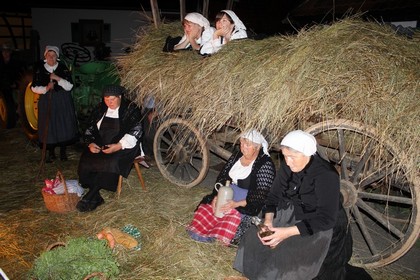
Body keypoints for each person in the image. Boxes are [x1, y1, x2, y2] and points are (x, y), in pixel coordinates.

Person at [232, 130, 350, 279]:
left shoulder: (326, 175)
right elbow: (273, 196)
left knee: (287, 254)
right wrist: (268, 221)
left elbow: (326, 219)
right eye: (285, 156)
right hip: (291, 212)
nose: (287, 162)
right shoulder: (288, 165)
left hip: (316, 223)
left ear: (307, 154)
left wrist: (285, 233)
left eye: (292, 157)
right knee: (253, 238)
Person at [186, 129, 276, 246]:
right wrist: (217, 196)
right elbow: (223, 177)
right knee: (206, 210)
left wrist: (236, 204)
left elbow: (262, 195)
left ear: (257, 147)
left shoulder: (265, 164)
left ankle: (217, 235)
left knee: (231, 218)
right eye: (241, 143)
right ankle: (206, 232)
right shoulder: (237, 156)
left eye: (247, 145)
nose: (243, 147)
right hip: (227, 194)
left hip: (246, 202)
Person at [76, 84, 143, 212]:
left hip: (125, 145)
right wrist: (91, 143)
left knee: (111, 161)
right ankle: (96, 197)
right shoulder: (100, 108)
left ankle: (91, 194)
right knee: (86, 158)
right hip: (103, 143)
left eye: (112, 99)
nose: (109, 102)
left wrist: (118, 146)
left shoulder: (130, 109)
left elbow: (136, 131)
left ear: (120, 97)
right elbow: (90, 127)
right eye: (106, 99)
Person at [31, 45, 79, 162]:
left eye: (53, 56)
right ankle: (51, 152)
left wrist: (57, 78)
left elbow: (70, 86)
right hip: (47, 100)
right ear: (45, 56)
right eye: (49, 55)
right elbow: (33, 87)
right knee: (49, 125)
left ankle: (63, 151)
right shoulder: (39, 69)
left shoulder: (62, 68)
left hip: (62, 100)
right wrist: (46, 88)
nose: (51, 58)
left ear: (57, 57)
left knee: (63, 124)